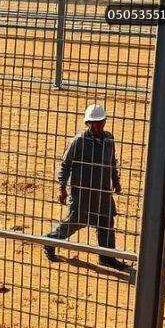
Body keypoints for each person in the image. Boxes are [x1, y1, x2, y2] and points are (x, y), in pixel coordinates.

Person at [44, 104, 128, 271]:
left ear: (105, 121)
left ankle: (107, 256)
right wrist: (62, 187)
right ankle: (50, 241)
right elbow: (65, 164)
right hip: (82, 192)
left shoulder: (109, 140)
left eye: (99, 122)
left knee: (106, 222)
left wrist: (116, 181)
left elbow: (112, 163)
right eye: (93, 123)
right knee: (75, 221)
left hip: (103, 192)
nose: (97, 126)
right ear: (87, 123)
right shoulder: (79, 141)